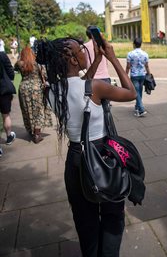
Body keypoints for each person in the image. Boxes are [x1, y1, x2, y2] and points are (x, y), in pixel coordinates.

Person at [36, 36, 136, 257]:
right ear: (72, 60)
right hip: (102, 156)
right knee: (112, 215)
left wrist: (98, 58)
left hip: (75, 160)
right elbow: (131, 93)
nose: (84, 50)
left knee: (85, 220)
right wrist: (112, 58)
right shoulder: (95, 87)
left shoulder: (52, 91)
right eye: (80, 49)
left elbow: (81, 88)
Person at [15, 46, 53, 143]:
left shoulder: (19, 64)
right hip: (36, 89)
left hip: (23, 88)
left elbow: (14, 69)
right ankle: (37, 134)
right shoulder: (37, 64)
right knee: (38, 111)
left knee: (27, 110)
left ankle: (31, 131)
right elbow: (45, 75)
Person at [126, 37, 150, 117]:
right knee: (139, 91)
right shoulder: (145, 54)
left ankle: (141, 109)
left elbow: (128, 66)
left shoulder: (130, 54)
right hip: (142, 75)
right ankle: (137, 108)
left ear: (134, 44)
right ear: (141, 44)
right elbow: (146, 66)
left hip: (134, 75)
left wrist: (125, 75)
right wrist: (149, 74)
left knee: (136, 92)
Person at [0, 51, 16, 145]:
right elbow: (10, 71)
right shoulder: (2, 55)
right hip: (3, 89)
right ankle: (9, 136)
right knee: (6, 115)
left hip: (3, 89)